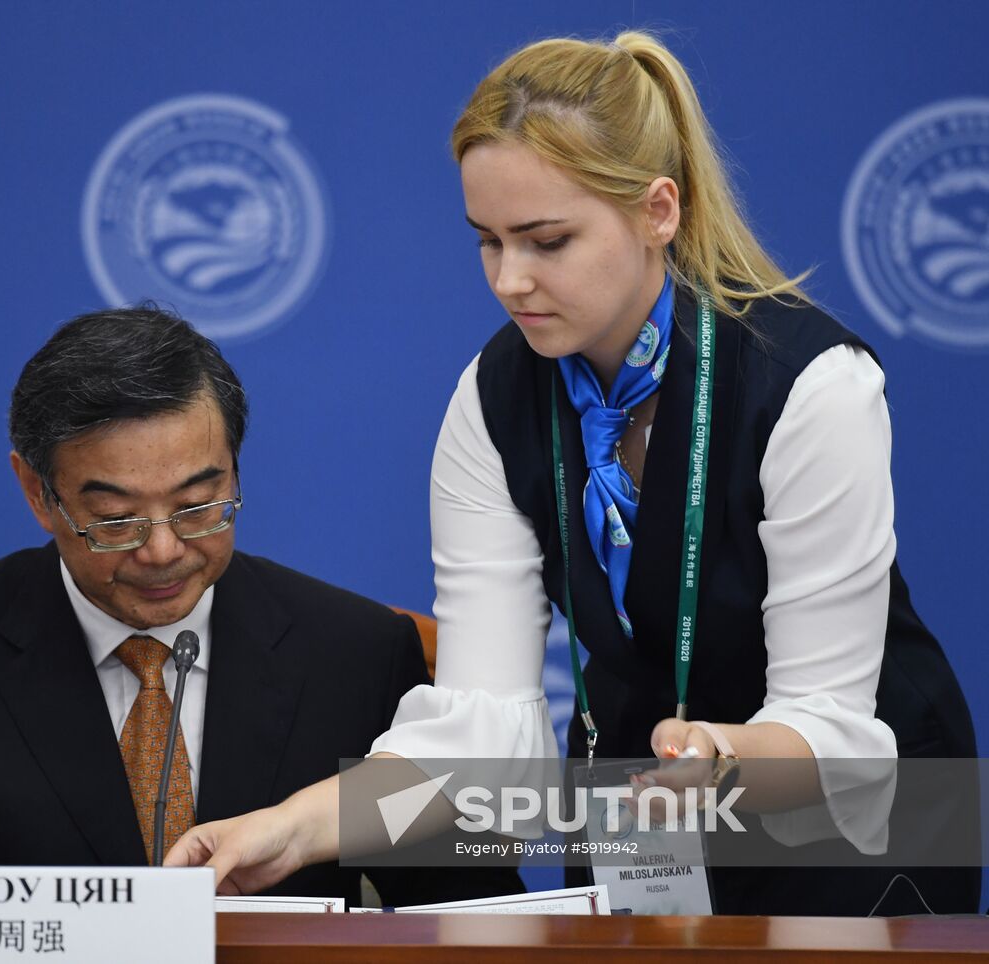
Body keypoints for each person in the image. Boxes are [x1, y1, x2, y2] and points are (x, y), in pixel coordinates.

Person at [166, 31, 978, 915]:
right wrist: (295, 826)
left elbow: (831, 721)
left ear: (657, 212)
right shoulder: (490, 399)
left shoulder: (812, 386)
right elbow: (482, 733)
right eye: (488, 242)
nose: (511, 281)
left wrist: (721, 759)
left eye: (547, 240)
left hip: (854, 809)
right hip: (644, 801)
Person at [0, 305, 520, 910]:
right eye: (118, 519)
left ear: (236, 472)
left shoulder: (355, 649)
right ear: (38, 492)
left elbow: (476, 911)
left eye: (202, 505)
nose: (164, 550)